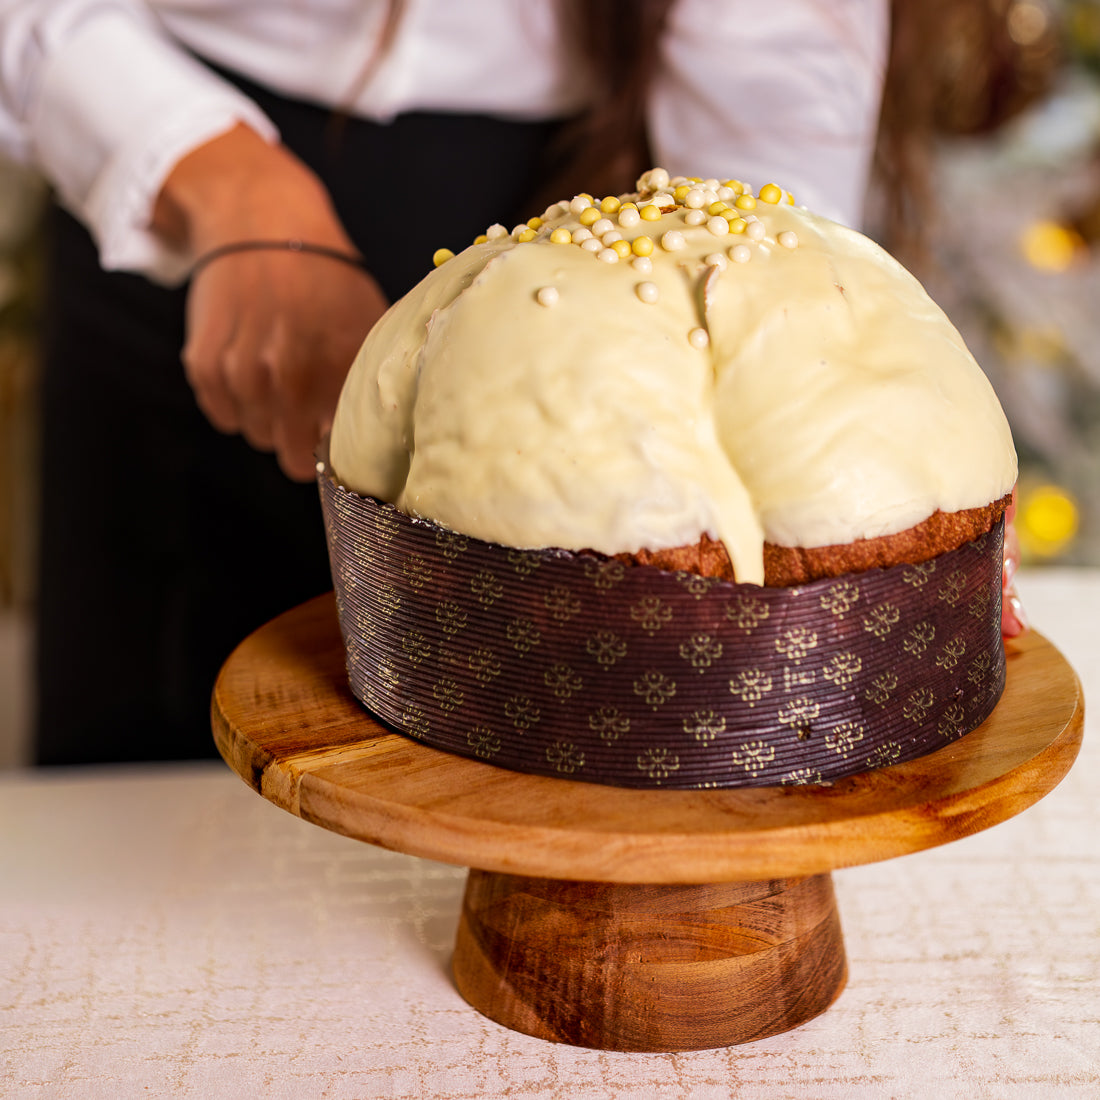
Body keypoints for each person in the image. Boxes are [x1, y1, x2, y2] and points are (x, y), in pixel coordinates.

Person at [0, 1, 1022, 766]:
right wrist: (210, 172)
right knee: (136, 811)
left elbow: (773, 63)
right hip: (161, 150)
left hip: (570, 190)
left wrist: (815, 420)